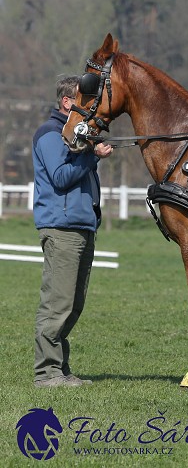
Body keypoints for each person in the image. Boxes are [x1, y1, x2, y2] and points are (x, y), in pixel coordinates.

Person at [32, 75, 113, 388]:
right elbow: (61, 177)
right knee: (57, 303)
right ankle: (46, 374)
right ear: (67, 102)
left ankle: (60, 370)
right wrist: (93, 158)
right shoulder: (50, 134)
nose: (92, 108)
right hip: (61, 228)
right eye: (85, 101)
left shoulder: (76, 135)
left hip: (80, 227)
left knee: (73, 304)